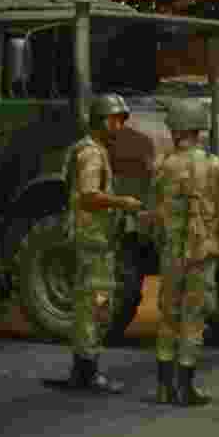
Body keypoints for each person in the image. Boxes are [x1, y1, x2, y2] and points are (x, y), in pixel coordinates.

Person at [61, 94, 146, 394]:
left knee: (94, 304)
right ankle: (86, 372)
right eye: (115, 119)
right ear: (100, 120)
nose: (119, 126)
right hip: (92, 241)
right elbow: (88, 195)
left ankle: (83, 370)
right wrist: (122, 202)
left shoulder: (95, 151)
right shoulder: (92, 154)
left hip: (96, 239)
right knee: (93, 305)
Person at [150, 100, 219, 406]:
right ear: (200, 129)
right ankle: (185, 387)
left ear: (175, 130)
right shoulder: (215, 166)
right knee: (193, 317)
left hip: (170, 252)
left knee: (168, 315)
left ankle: (163, 386)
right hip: (201, 253)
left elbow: (153, 212)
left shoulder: (163, 166)